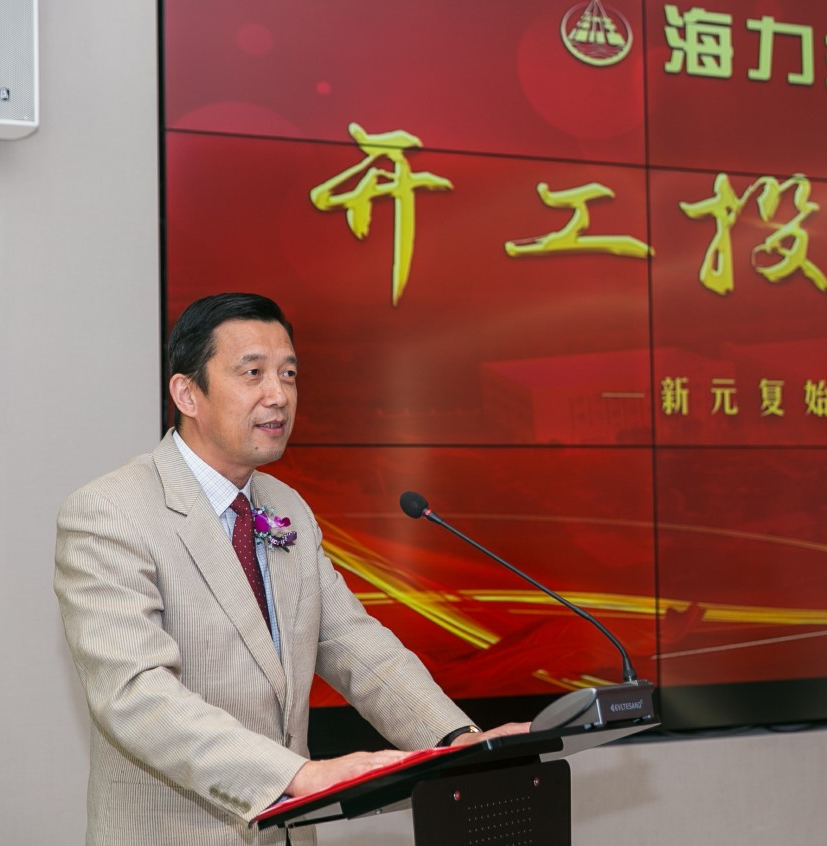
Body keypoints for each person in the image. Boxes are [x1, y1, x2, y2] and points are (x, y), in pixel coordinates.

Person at [54, 293, 526, 845]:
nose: (278, 395)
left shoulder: (287, 507)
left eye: (288, 374)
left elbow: (352, 642)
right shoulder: (110, 512)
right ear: (187, 393)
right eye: (252, 373)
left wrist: (454, 739)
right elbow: (135, 694)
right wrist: (296, 775)